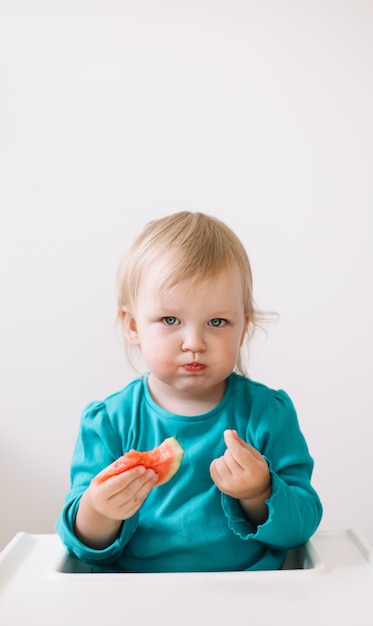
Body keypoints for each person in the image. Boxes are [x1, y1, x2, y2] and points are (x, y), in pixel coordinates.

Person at [56, 211, 322, 572]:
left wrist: (260, 493)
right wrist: (100, 511)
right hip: (137, 599)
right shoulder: (108, 423)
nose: (194, 343)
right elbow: (83, 547)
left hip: (249, 597)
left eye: (217, 322)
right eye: (170, 320)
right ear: (134, 326)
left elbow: (300, 529)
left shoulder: (267, 413)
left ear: (243, 328)